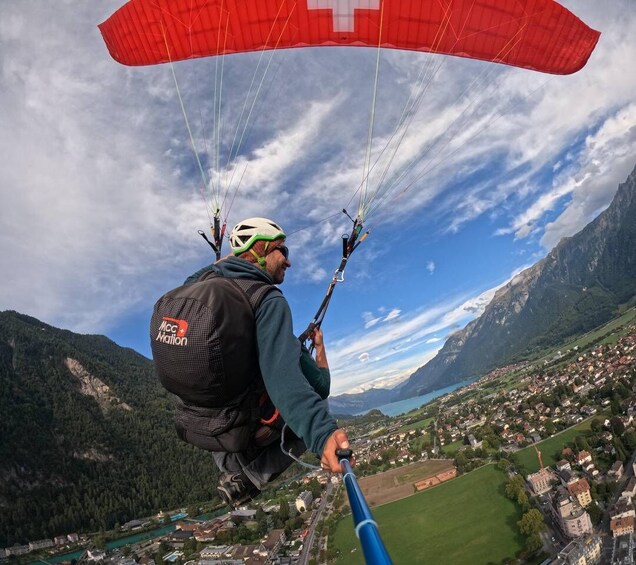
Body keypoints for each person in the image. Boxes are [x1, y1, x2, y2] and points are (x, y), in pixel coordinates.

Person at [151, 217, 350, 507]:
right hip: (245, 429)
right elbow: (286, 379)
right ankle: (249, 479)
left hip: (199, 425)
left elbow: (197, 276)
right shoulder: (268, 300)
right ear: (259, 249)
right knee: (319, 402)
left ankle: (230, 468)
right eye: (283, 250)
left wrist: (230, 257)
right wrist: (322, 434)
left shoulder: (198, 287)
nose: (288, 261)